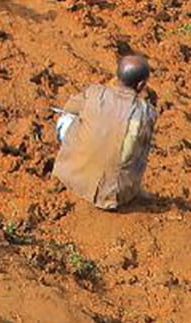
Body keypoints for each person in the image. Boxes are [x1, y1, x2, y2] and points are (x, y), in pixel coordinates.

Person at [52, 55, 159, 211]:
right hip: (114, 195)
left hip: (68, 178)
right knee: (138, 145)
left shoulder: (94, 92)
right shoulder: (147, 112)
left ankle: (71, 162)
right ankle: (130, 189)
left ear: (117, 76)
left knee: (70, 118)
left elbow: (68, 110)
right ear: (141, 84)